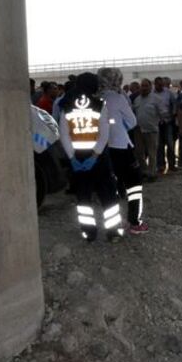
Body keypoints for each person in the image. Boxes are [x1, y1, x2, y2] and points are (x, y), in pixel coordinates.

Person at [59, 72, 124, 242]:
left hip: (78, 158)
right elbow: (104, 134)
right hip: (99, 158)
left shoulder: (65, 105)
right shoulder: (99, 104)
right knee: (108, 196)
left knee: (83, 197)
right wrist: (95, 156)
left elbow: (64, 135)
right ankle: (113, 233)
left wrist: (72, 158)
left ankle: (88, 233)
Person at [98, 67, 148, 235]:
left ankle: (114, 225)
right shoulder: (117, 98)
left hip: (102, 148)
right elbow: (132, 121)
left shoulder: (95, 98)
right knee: (134, 185)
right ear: (117, 81)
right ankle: (134, 222)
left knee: (110, 187)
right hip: (120, 147)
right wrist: (120, 127)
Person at [131, 78, 160, 180]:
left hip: (151, 130)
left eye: (146, 86)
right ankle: (144, 171)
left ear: (150, 87)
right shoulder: (137, 99)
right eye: (142, 86)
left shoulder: (156, 99)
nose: (144, 88)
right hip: (138, 129)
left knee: (152, 153)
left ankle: (152, 173)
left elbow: (162, 113)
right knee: (139, 152)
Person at [154, 77, 178, 173]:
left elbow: (175, 104)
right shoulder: (152, 94)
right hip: (157, 123)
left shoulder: (168, 93)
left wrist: (173, 115)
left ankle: (171, 165)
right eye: (159, 85)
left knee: (170, 144)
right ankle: (161, 166)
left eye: (162, 84)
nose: (161, 86)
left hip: (168, 122)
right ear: (155, 84)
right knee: (159, 146)